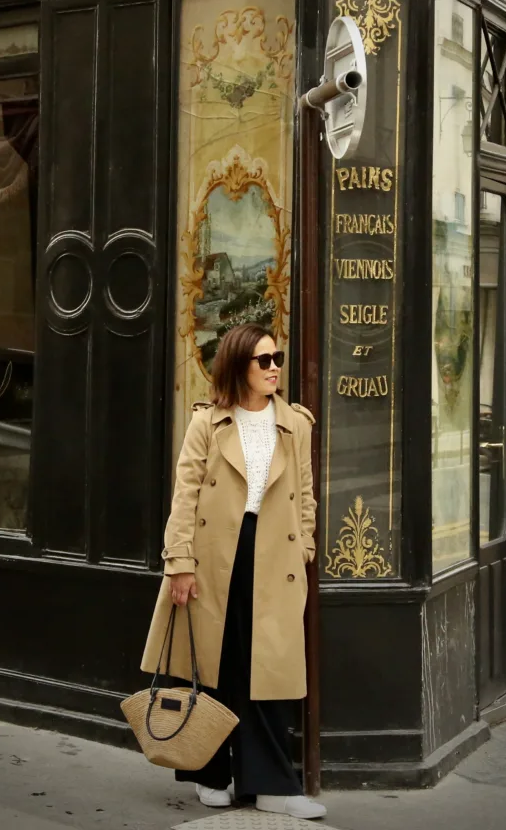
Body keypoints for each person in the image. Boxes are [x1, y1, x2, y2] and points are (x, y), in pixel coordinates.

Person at [141, 323, 326, 820]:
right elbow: (185, 496)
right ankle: (210, 774)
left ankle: (272, 788)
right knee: (214, 666)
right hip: (217, 554)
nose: (274, 368)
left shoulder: (295, 423)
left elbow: (305, 494)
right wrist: (180, 562)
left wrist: (305, 547)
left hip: (276, 558)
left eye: (277, 358)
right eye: (263, 360)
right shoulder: (208, 422)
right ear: (238, 365)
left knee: (267, 673)